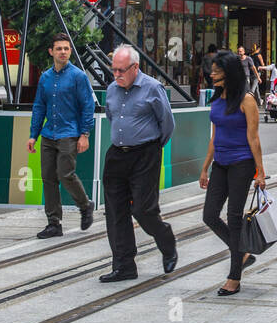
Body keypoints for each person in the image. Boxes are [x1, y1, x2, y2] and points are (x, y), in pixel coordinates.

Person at [98, 45, 177, 282]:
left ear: (135, 67)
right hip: (117, 155)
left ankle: (166, 239)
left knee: (143, 209)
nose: (117, 75)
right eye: (114, 70)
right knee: (114, 212)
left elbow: (167, 123)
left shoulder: (153, 88)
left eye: (122, 70)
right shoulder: (112, 89)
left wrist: (152, 149)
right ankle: (124, 266)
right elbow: (112, 118)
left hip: (145, 153)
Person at [199, 50, 268, 297]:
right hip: (221, 163)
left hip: (242, 163)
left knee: (235, 217)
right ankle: (243, 253)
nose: (212, 74)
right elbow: (214, 137)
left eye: (217, 71)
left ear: (229, 73)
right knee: (209, 215)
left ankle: (234, 277)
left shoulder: (246, 100)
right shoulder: (217, 100)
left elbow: (254, 137)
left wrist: (260, 172)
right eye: (212, 70)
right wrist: (205, 167)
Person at [28, 34, 95, 240]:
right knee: (48, 178)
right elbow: (39, 107)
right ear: (51, 52)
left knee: (66, 174)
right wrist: (33, 135)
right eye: (59, 49)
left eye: (66, 48)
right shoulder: (45, 78)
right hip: (49, 134)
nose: (63, 52)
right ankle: (53, 223)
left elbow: (87, 106)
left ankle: (85, 205)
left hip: (69, 133)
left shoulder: (78, 76)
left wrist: (85, 134)